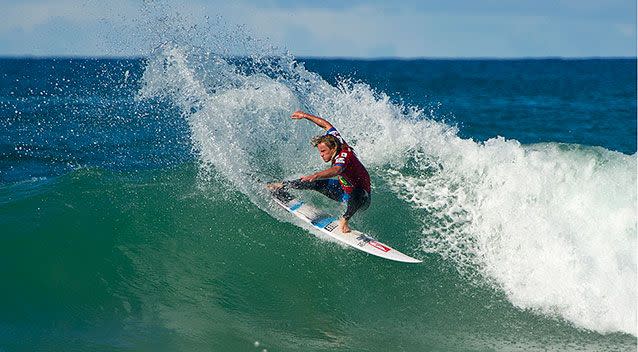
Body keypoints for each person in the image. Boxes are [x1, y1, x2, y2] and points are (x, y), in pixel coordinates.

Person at [268, 110, 371, 233]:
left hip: (361, 199)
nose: (321, 155)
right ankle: (283, 185)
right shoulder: (336, 140)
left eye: (323, 151)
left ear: (333, 148)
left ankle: (345, 220)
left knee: (358, 191)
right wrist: (305, 116)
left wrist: (317, 175)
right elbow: (326, 125)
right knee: (314, 182)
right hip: (343, 190)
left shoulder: (343, 157)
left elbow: (337, 169)